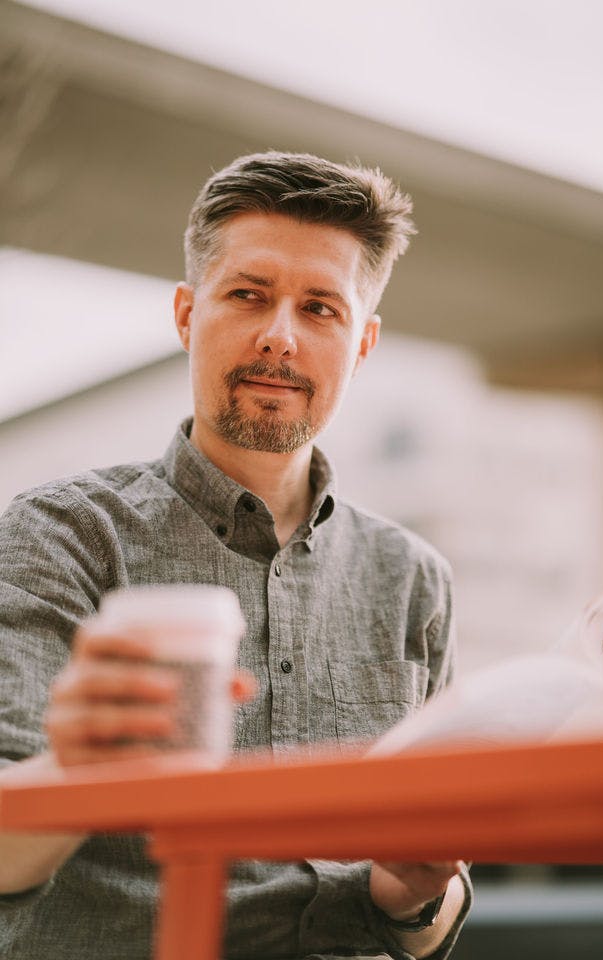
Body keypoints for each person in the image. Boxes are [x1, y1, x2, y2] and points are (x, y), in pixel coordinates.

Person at [0, 152, 472, 959]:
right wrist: (78, 773)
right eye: (248, 295)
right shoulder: (59, 537)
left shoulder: (414, 582)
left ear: (363, 343)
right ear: (188, 314)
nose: (280, 337)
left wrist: (415, 894)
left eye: (321, 308)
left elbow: (425, 924)